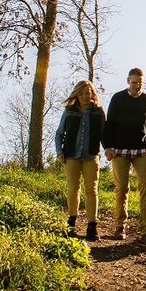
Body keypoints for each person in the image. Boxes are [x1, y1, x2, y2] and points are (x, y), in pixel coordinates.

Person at [101, 67, 146, 242]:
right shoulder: (118, 98)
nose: (137, 86)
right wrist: (107, 147)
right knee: (122, 188)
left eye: (140, 83)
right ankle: (120, 227)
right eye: (134, 82)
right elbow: (109, 124)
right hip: (120, 150)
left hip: (142, 150)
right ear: (128, 81)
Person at [54, 80, 105, 241]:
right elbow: (59, 134)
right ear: (77, 94)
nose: (85, 96)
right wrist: (59, 151)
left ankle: (92, 226)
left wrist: (109, 149)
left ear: (92, 94)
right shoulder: (69, 111)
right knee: (73, 189)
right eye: (82, 93)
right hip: (71, 155)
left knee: (92, 190)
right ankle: (71, 221)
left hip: (91, 155)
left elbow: (104, 134)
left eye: (88, 93)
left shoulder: (98, 111)